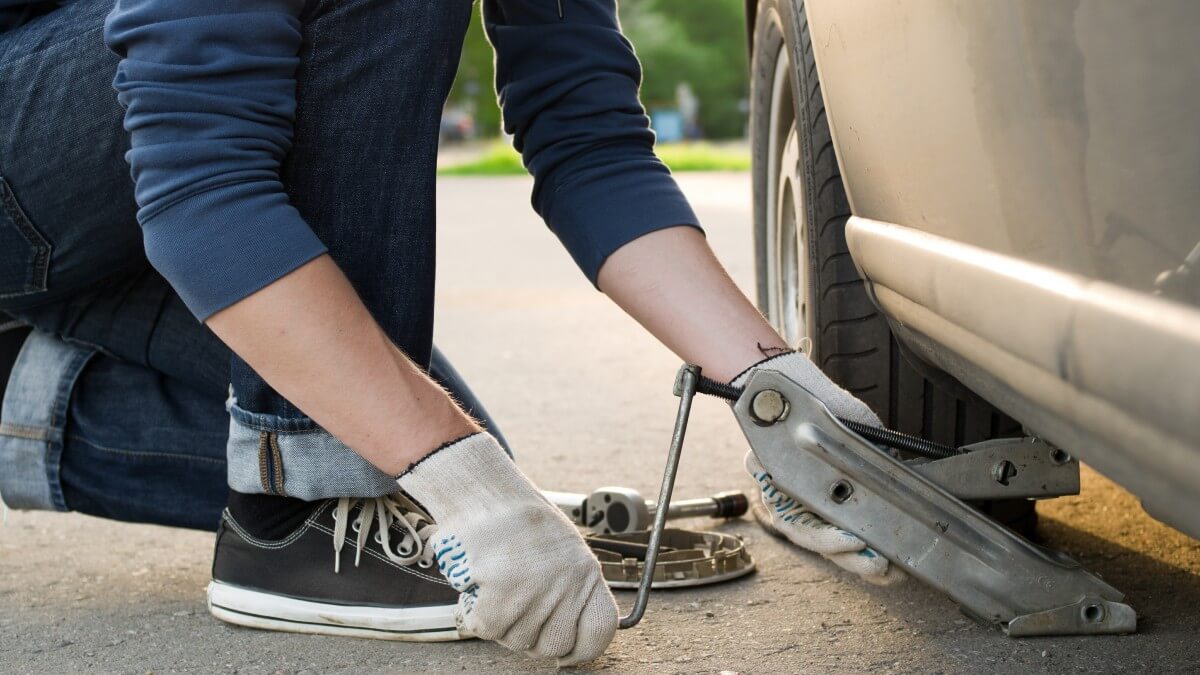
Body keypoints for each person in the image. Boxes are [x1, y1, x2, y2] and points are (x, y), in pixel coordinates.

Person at [0, 0, 897, 666]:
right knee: (407, 467)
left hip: (101, 211)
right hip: (35, 161)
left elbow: (587, 138)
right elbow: (201, 181)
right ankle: (298, 518)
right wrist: (462, 477)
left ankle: (17, 386)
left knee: (415, 448)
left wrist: (780, 391)